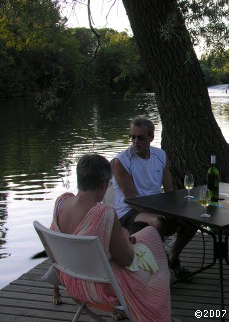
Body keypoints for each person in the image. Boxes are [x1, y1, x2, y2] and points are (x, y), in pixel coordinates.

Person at [50, 154, 171, 321]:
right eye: (109, 183)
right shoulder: (103, 213)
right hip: (99, 285)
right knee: (155, 252)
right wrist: (125, 235)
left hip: (70, 278)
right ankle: (155, 315)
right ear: (103, 183)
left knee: (148, 233)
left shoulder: (61, 202)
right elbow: (127, 259)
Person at [113, 116, 196, 282]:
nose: (135, 141)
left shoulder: (160, 155)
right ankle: (160, 271)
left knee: (192, 220)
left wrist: (177, 211)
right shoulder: (121, 161)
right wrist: (164, 213)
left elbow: (169, 190)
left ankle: (173, 258)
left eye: (140, 137)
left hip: (156, 206)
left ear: (151, 137)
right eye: (132, 137)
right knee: (158, 222)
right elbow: (131, 199)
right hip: (128, 211)